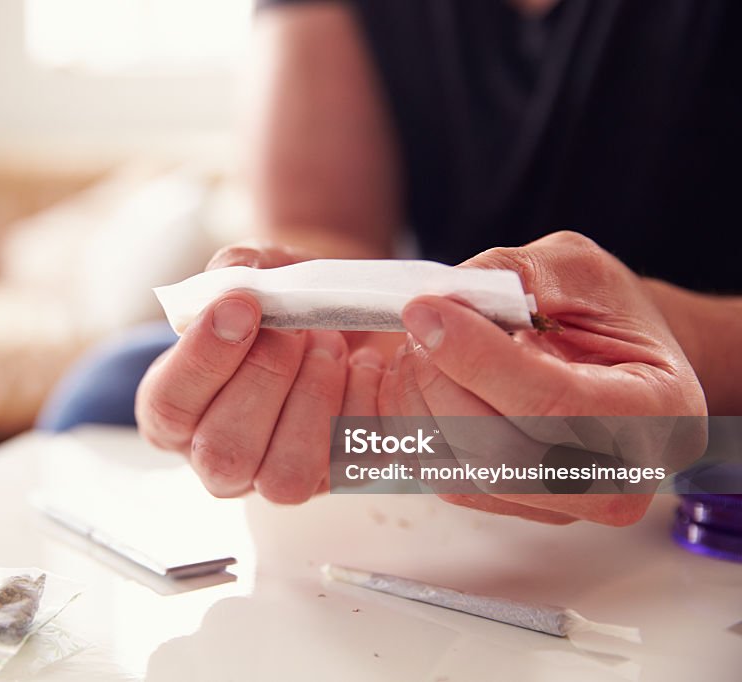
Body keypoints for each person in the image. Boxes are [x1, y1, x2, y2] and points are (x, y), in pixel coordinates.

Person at [43, 0, 742, 524]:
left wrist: (688, 348)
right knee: (109, 390)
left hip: (713, 388)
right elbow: (321, 226)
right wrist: (331, 348)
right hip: (435, 372)